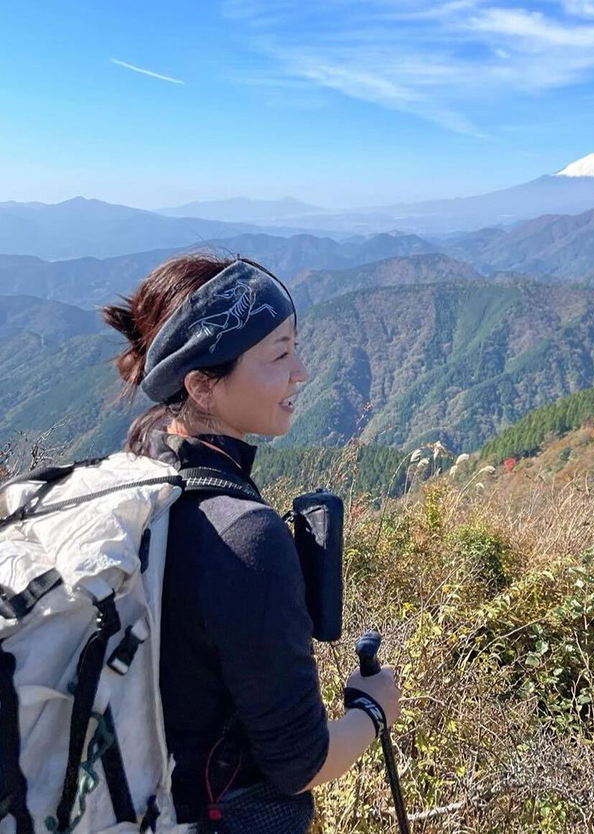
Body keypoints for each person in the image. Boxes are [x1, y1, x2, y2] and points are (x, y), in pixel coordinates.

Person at [101, 253, 401, 833]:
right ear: (201, 386)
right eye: (279, 354)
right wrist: (372, 709)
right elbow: (299, 763)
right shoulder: (243, 534)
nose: (302, 372)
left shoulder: (138, 472)